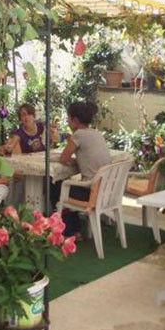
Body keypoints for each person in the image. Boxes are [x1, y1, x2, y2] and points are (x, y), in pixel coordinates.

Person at [55, 101, 111, 236]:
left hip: (90, 192)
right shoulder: (96, 133)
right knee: (66, 185)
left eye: (68, 118)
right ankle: (73, 226)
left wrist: (72, 156)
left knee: (56, 187)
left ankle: (70, 229)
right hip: (105, 189)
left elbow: (63, 158)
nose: (67, 122)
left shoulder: (78, 134)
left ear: (75, 120)